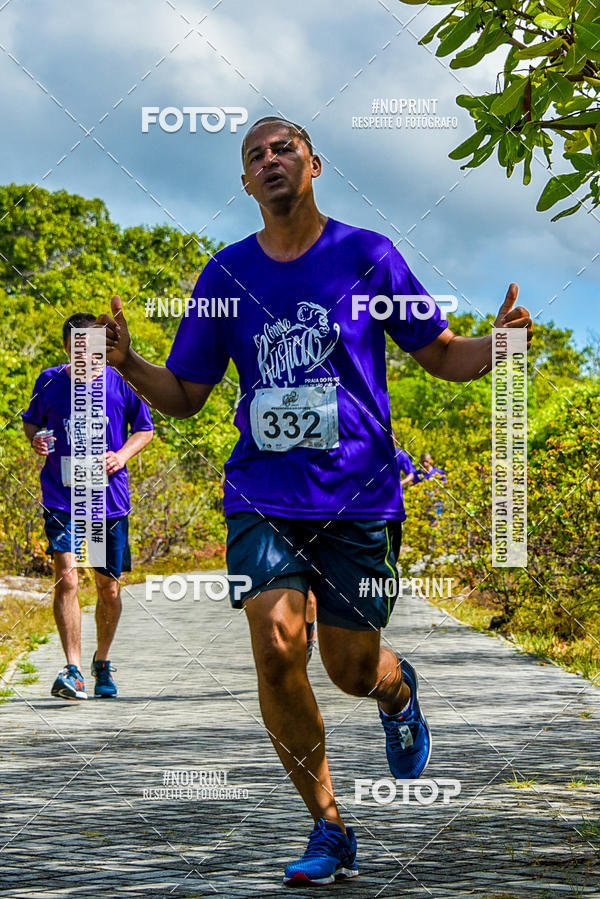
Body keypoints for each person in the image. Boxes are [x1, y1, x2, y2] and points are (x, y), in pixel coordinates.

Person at [96, 116, 532, 885]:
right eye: (254, 154)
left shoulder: (367, 256)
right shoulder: (226, 276)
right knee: (275, 649)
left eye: (283, 148)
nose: (270, 160)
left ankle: (396, 688)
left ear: (314, 164)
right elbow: (189, 395)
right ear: (243, 182)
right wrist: (130, 362)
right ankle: (328, 825)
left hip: (359, 495)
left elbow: (437, 352)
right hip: (261, 492)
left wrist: (497, 345)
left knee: (350, 667)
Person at [22, 312, 154, 700]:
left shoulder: (121, 382)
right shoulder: (48, 380)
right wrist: (38, 439)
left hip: (106, 502)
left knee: (108, 587)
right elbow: (33, 423)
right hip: (63, 496)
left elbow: (144, 429)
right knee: (67, 576)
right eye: (77, 346)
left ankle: (102, 661)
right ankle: (73, 669)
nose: (86, 353)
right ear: (66, 348)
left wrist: (122, 455)